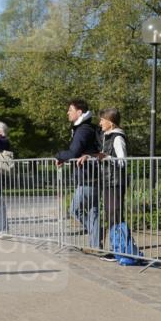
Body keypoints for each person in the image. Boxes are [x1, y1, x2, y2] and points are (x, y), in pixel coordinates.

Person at [78, 109, 132, 262]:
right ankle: (118, 249)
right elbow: (103, 156)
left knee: (115, 215)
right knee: (111, 215)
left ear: (111, 122)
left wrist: (107, 157)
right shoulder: (106, 137)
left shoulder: (117, 138)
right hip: (108, 181)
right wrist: (91, 155)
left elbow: (123, 161)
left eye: (102, 120)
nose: (100, 123)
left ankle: (120, 250)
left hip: (115, 181)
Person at [56, 99, 101, 249]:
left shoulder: (83, 130)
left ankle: (97, 234)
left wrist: (58, 155)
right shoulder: (87, 128)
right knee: (93, 211)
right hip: (92, 175)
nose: (68, 112)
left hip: (88, 176)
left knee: (75, 209)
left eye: (70, 110)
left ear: (79, 112)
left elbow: (74, 152)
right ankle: (96, 245)